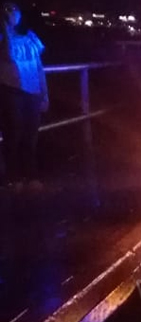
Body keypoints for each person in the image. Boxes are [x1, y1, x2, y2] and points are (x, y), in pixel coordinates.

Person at [0, 2, 46, 190]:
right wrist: (4, 27)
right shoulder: (2, 38)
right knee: (13, 134)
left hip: (33, 91)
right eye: (7, 9)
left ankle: (31, 174)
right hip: (11, 90)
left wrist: (44, 94)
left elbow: (39, 67)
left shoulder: (30, 36)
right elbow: (7, 54)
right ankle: (12, 177)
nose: (12, 13)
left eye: (14, 9)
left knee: (31, 135)